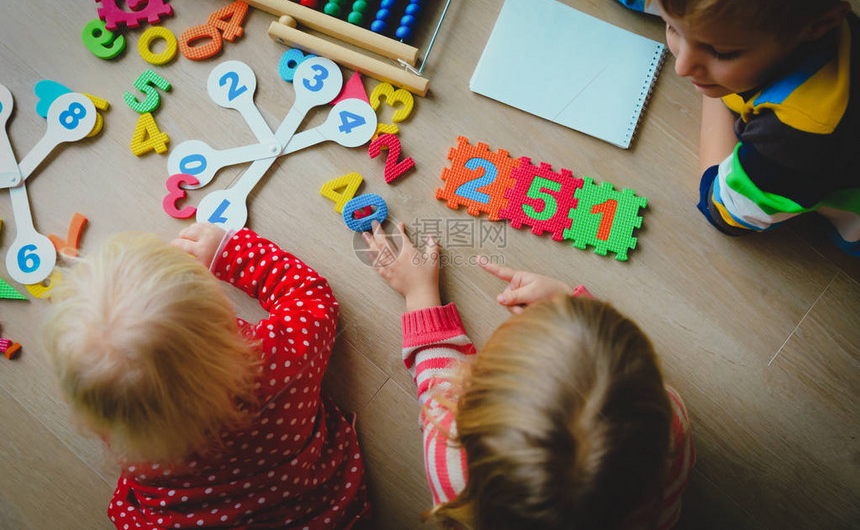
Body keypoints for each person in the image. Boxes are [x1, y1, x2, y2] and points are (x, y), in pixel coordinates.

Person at [363, 222, 694, 530]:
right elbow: (617, 373)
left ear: (472, 397)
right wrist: (568, 304)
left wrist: (420, 294)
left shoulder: (452, 468)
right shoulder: (667, 426)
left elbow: (438, 388)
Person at [42, 223, 370, 529]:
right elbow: (311, 297)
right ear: (224, 313)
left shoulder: (127, 437)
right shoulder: (279, 360)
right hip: (332, 509)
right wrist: (229, 254)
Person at [594, 0, 860, 254]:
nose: (681, 67)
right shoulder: (777, 18)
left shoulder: (800, 135)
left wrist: (714, 96)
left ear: (818, 25)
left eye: (721, 52)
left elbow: (723, 212)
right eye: (671, 27)